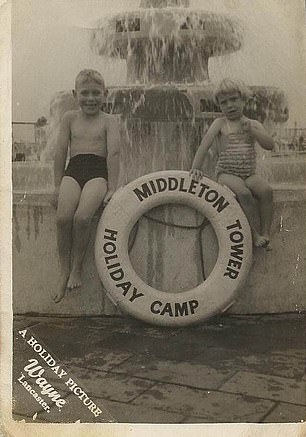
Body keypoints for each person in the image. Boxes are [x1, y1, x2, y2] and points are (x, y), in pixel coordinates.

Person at [52, 69, 120, 303]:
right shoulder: (69, 118)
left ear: (105, 94)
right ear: (75, 94)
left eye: (96, 93)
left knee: (82, 218)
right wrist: (57, 184)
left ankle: (76, 267)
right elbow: (61, 151)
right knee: (62, 218)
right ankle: (63, 271)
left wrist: (112, 187)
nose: (90, 98)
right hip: (74, 171)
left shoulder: (109, 121)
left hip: (97, 173)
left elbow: (113, 153)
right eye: (85, 93)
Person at [190, 78, 275, 249]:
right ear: (219, 106)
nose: (230, 105)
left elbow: (270, 145)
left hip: (249, 173)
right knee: (243, 193)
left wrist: (253, 130)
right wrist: (195, 169)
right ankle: (254, 234)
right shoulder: (220, 123)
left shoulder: (253, 124)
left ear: (244, 100)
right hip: (226, 173)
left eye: (234, 100)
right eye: (224, 102)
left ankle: (266, 232)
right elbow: (204, 146)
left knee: (266, 191)